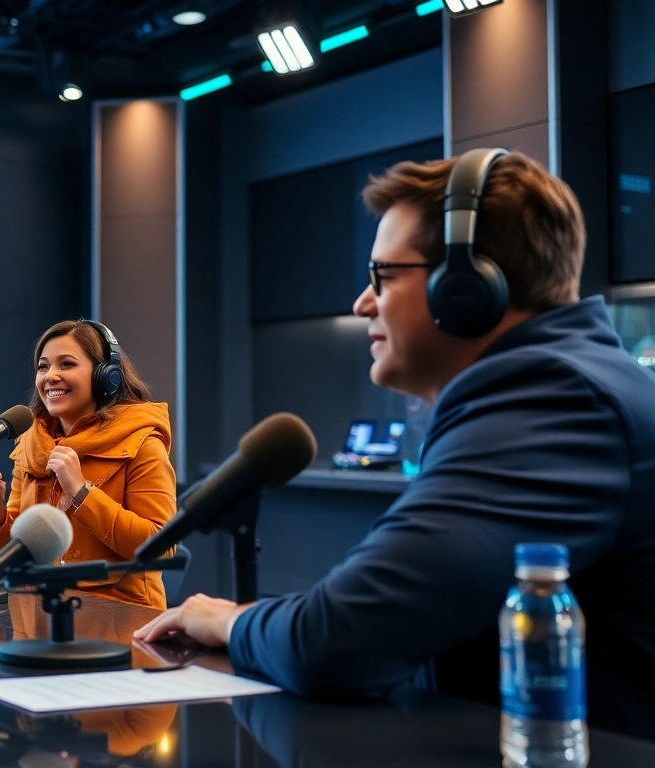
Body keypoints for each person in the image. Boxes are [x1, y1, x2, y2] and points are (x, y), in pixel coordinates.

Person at [135, 152, 655, 738]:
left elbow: (338, 641)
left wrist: (230, 620)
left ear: (466, 286)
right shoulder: (563, 382)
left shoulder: (554, 399)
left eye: (383, 275)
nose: (363, 304)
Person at [0, 320, 177, 608]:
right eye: (43, 367)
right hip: (38, 620)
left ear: (106, 376)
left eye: (67, 364)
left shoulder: (143, 444)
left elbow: (159, 548)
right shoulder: (30, 445)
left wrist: (82, 492)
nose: (51, 376)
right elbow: (20, 553)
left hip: (118, 622)